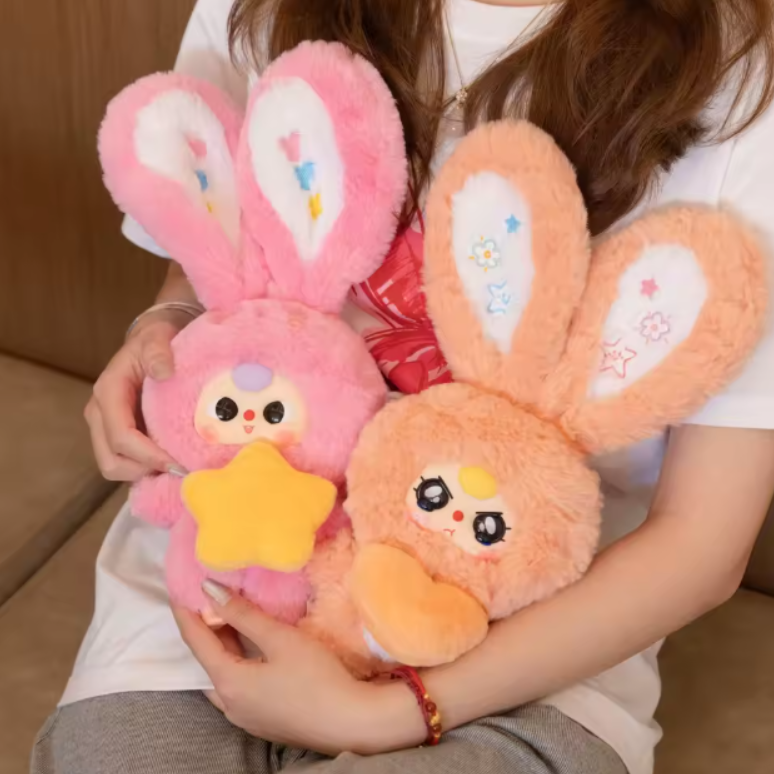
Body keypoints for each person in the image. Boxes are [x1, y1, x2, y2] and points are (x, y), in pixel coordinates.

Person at [33, 1, 774, 773]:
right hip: (224, 575)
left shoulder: (738, 77)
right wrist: (164, 326)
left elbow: (703, 541)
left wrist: (396, 710)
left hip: (519, 658)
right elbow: (218, 248)